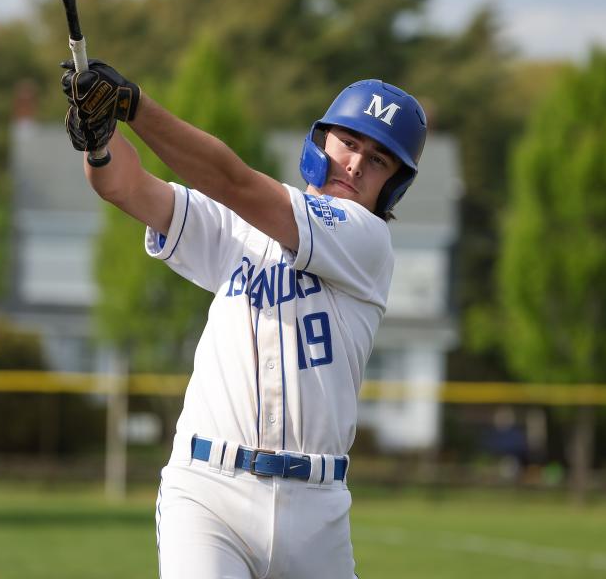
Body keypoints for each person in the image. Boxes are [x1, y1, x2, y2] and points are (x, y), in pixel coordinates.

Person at [60, 59, 427, 579]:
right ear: (319, 142)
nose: (356, 164)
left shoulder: (366, 243)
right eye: (348, 142)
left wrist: (133, 108)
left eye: (379, 159)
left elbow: (235, 183)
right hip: (209, 489)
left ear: (394, 186)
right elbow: (126, 186)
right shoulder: (243, 229)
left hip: (316, 507)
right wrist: (98, 139)